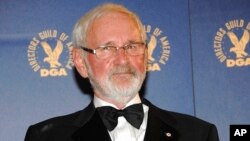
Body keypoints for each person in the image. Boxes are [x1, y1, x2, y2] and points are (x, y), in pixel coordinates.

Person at [25, 3, 219, 141]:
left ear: (145, 55)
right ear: (81, 62)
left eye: (132, 46)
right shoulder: (46, 137)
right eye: (107, 48)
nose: (123, 59)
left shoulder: (198, 134)